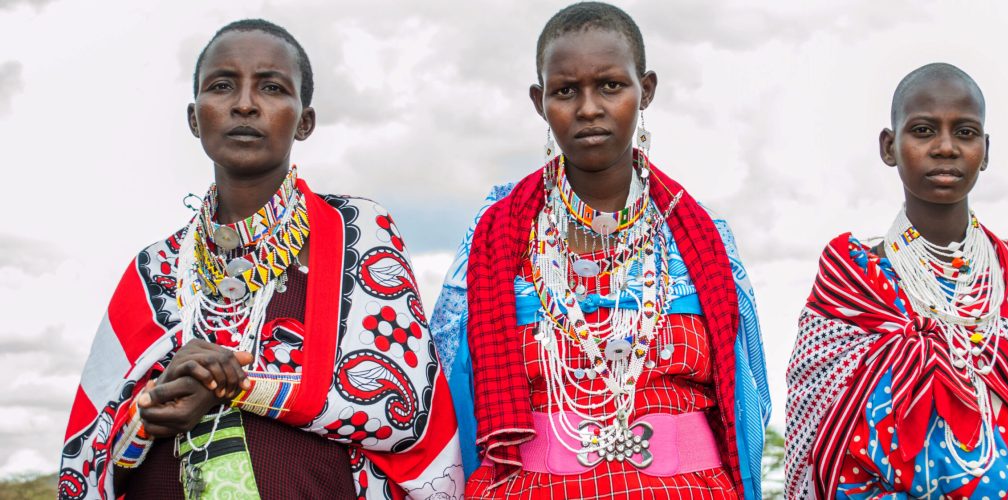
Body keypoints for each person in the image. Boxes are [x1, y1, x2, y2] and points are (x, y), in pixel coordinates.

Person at [58, 19, 462, 499]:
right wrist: (154, 405)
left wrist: (231, 386)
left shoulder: (357, 232)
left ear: (304, 121)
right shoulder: (156, 269)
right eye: (222, 85)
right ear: (194, 117)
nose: (244, 103)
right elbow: (88, 462)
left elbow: (401, 407)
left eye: (271, 87)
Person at [429, 3, 771, 498]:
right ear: (539, 101)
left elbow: (749, 396)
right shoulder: (494, 235)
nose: (588, 108)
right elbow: (449, 383)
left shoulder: (704, 236)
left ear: (645, 90)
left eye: (610, 85)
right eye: (566, 91)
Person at [785, 63, 1008, 498]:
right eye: (922, 130)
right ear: (889, 146)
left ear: (986, 151)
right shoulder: (852, 277)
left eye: (966, 133)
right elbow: (818, 421)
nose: (945, 148)